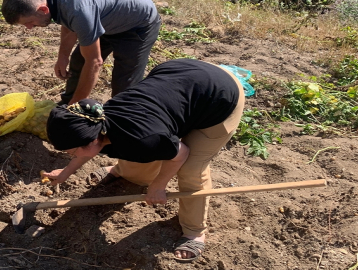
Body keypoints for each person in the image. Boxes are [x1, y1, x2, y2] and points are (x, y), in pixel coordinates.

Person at [42, 59, 245, 263]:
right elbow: (85, 150)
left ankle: (195, 231)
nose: (71, 154)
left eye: (71, 151)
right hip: (184, 77)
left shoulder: (143, 138)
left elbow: (180, 153)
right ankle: (122, 170)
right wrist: (66, 172)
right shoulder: (94, 119)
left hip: (219, 98)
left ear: (92, 139)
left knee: (191, 169)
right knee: (138, 158)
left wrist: (159, 186)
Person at [1, 0, 161, 105]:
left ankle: (121, 122)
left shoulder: (79, 11)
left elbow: (94, 62)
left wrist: (77, 104)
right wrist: (63, 56)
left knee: (124, 83)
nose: (29, 28)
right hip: (106, 19)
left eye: (29, 22)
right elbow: (68, 23)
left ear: (42, 9)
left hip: (138, 24)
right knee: (79, 60)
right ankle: (67, 104)